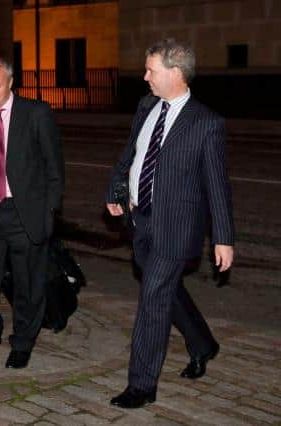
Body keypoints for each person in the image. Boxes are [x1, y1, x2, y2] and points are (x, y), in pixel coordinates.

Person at [105, 38, 234, 409]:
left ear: (176, 73)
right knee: (165, 291)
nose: (145, 77)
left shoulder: (206, 123)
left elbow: (217, 186)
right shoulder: (147, 106)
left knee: (152, 299)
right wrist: (116, 190)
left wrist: (223, 238)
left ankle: (142, 386)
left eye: (151, 71)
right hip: (139, 220)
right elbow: (131, 154)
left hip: (175, 227)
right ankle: (202, 344)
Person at [0, 56, 64, 369]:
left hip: (25, 211)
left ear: (11, 82)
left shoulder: (36, 113)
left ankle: (23, 341)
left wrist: (49, 214)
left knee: (27, 283)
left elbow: (54, 168)